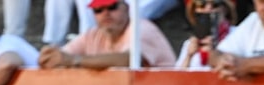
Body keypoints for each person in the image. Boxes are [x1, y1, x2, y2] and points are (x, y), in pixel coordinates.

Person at [39, 0, 177, 69]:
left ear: (126, 8)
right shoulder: (93, 34)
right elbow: (59, 57)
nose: (106, 13)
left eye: (112, 7)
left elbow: (130, 60)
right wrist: (51, 55)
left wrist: (74, 60)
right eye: (98, 10)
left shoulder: (141, 27)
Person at [177, 0, 237, 69]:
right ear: (194, 10)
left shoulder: (237, 35)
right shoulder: (189, 44)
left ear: (225, 9)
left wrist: (215, 55)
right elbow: (176, 77)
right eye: (201, 4)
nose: (208, 8)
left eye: (215, 4)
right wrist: (189, 56)